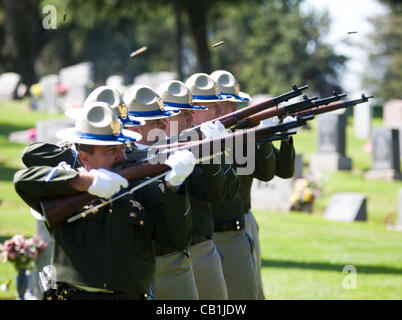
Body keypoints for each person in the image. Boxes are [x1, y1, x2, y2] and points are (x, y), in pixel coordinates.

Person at [14, 101, 196, 300]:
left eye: (122, 148)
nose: (122, 156)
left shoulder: (142, 187)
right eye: (111, 151)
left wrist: (175, 187)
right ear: (84, 158)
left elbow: (176, 240)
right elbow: (22, 180)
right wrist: (86, 182)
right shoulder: (66, 188)